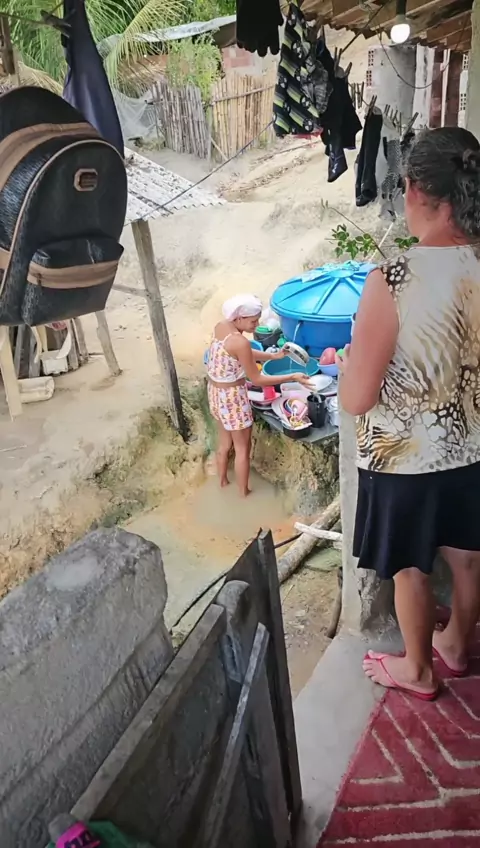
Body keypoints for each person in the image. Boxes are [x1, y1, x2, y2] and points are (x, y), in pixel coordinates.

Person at [336, 126, 480, 701]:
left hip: (407, 458)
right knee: (468, 556)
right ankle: (458, 643)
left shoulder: (392, 279)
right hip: (474, 448)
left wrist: (348, 362)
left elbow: (356, 398)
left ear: (416, 190)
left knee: (410, 568)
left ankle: (417, 668)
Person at [207, 294, 312, 497]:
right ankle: (243, 493)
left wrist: (273, 356)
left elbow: (241, 353)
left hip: (216, 393)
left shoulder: (222, 327)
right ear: (239, 318)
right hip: (233, 398)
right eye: (253, 321)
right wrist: (293, 376)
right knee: (242, 449)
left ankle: (222, 482)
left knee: (224, 444)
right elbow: (257, 379)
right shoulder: (240, 342)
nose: (256, 325)